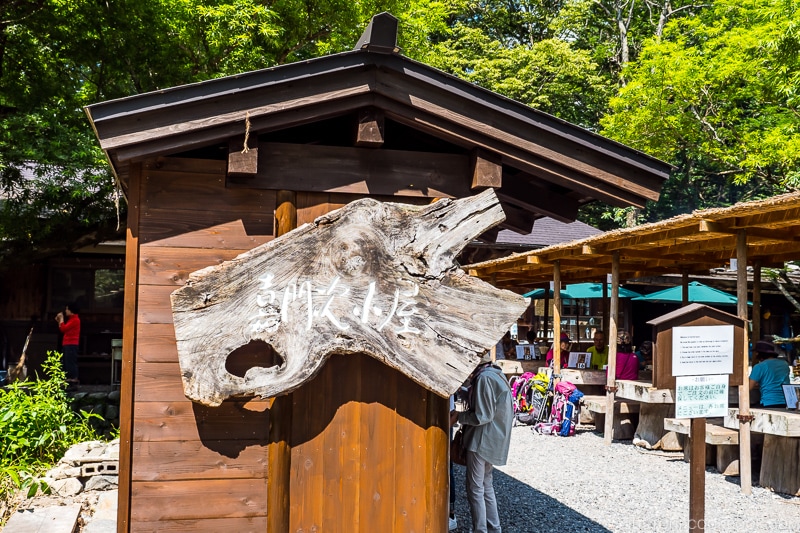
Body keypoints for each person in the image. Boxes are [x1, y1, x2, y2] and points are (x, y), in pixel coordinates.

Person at [450, 354, 513, 533]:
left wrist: (458, 416)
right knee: (486, 486)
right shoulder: (495, 373)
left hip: (482, 441)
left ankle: (481, 530)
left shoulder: (484, 378)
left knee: (475, 489)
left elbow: (482, 416)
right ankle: (494, 529)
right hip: (493, 439)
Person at [749, 339, 790, 408]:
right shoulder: (785, 364)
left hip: (768, 402)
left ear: (760, 353)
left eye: (757, 352)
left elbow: (748, 387)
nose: (755, 354)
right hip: (785, 402)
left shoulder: (759, 367)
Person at [56, 302, 81, 384]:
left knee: (70, 362)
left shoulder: (75, 320)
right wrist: (60, 321)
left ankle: (73, 378)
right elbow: (63, 328)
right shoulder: (72, 319)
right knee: (66, 361)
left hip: (71, 344)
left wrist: (61, 319)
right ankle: (69, 378)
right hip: (68, 343)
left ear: (71, 311)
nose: (66, 311)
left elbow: (63, 329)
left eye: (67, 309)